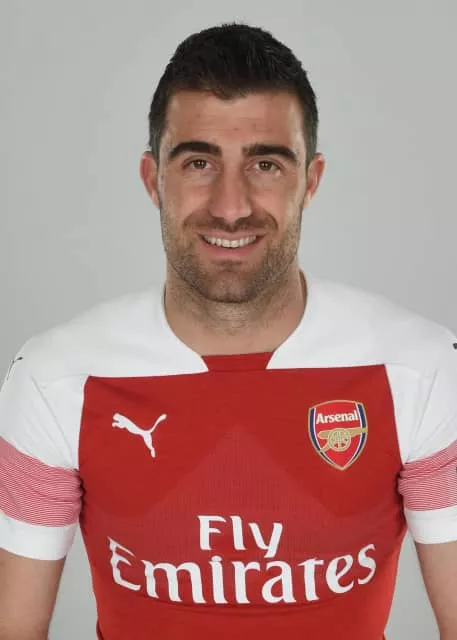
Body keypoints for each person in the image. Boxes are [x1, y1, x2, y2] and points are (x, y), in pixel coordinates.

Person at [0, 22, 456, 640]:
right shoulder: (54, 379)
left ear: (311, 181)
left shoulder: (423, 370)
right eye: (199, 162)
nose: (231, 206)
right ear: (152, 180)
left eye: (266, 164)